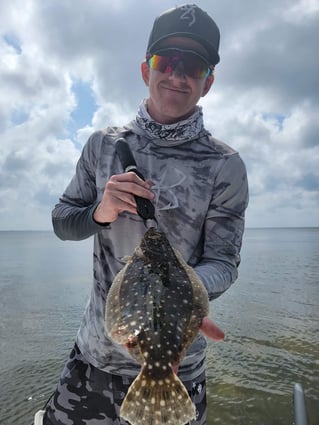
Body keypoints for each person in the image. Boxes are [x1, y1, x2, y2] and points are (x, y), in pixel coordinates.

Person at [40, 4, 248, 425]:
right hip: (94, 359)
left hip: (177, 363)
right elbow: (63, 221)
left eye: (193, 65)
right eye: (165, 60)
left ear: (208, 82)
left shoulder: (225, 165)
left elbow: (224, 264)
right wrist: (100, 211)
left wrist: (180, 294)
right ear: (145, 70)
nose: (178, 74)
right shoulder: (103, 145)